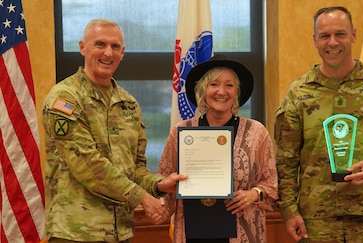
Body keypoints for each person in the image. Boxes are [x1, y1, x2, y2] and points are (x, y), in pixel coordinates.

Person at [274, 6, 363, 243]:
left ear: (353, 35)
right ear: (315, 40)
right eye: (324, 36)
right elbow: (286, 159)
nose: (332, 42)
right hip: (317, 219)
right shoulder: (299, 93)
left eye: (340, 34)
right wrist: (288, 210)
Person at [42, 19, 187, 243]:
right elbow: (89, 166)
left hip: (121, 232)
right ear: (83, 47)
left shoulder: (128, 103)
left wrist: (158, 184)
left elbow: (135, 167)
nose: (108, 53)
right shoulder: (65, 99)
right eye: (100, 44)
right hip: (75, 232)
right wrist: (143, 198)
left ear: (123, 52)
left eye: (115, 46)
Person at [157, 55, 278, 243]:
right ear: (203, 90)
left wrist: (253, 194)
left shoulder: (256, 133)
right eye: (214, 84)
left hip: (242, 232)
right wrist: (158, 203)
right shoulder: (181, 132)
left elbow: (271, 184)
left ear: (237, 92)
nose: (221, 91)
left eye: (229, 85)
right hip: (193, 232)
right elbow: (163, 182)